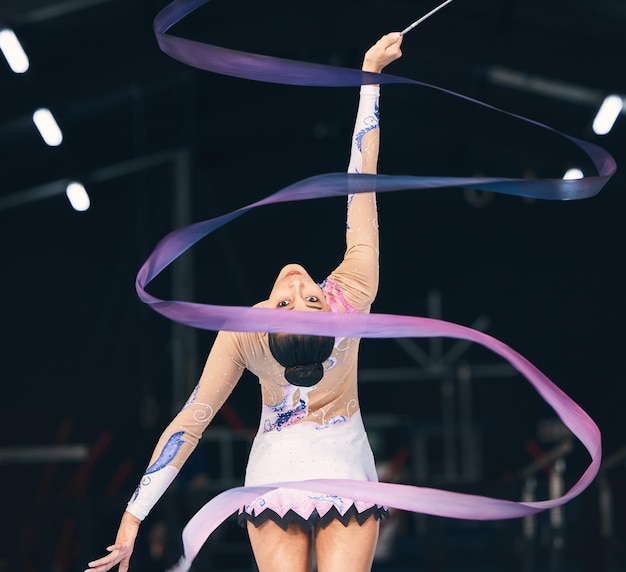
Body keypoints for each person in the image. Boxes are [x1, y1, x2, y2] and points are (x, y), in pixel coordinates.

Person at [86, 31, 403, 572]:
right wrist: (369, 83)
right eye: (309, 298)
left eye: (291, 302)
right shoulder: (350, 296)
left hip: (340, 469)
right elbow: (360, 184)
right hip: (283, 477)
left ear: (269, 318)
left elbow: (192, 420)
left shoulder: (244, 330)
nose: (300, 284)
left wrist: (137, 511)